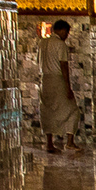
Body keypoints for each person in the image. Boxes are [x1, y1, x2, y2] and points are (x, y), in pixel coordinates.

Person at [37, 19, 78, 153]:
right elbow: (64, 66)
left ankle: (49, 143)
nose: (67, 35)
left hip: (45, 81)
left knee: (47, 111)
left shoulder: (42, 42)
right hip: (57, 80)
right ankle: (70, 142)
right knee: (72, 110)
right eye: (67, 32)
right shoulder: (60, 45)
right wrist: (68, 87)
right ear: (61, 30)